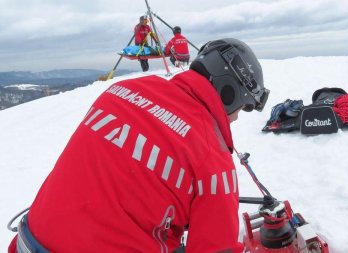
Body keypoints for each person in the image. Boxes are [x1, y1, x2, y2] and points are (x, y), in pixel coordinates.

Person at [8, 38, 270, 253]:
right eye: (241, 108)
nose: (235, 117)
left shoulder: (121, 91)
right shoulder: (213, 163)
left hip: (26, 241)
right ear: (228, 94)